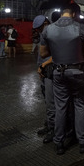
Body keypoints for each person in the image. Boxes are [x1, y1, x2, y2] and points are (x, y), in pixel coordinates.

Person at [40, 3, 84, 155]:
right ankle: (83, 142)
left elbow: (43, 54)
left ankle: (59, 143)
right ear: (75, 14)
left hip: (58, 72)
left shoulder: (48, 29)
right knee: (80, 105)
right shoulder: (81, 28)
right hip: (77, 72)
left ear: (61, 12)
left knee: (61, 107)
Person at [33, 15, 55, 144]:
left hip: (50, 71)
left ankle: (53, 130)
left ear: (46, 23)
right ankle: (48, 125)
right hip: (44, 72)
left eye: (40, 28)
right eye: (37, 29)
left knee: (51, 102)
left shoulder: (51, 34)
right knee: (47, 101)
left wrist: (43, 66)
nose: (39, 31)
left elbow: (56, 54)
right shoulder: (44, 33)